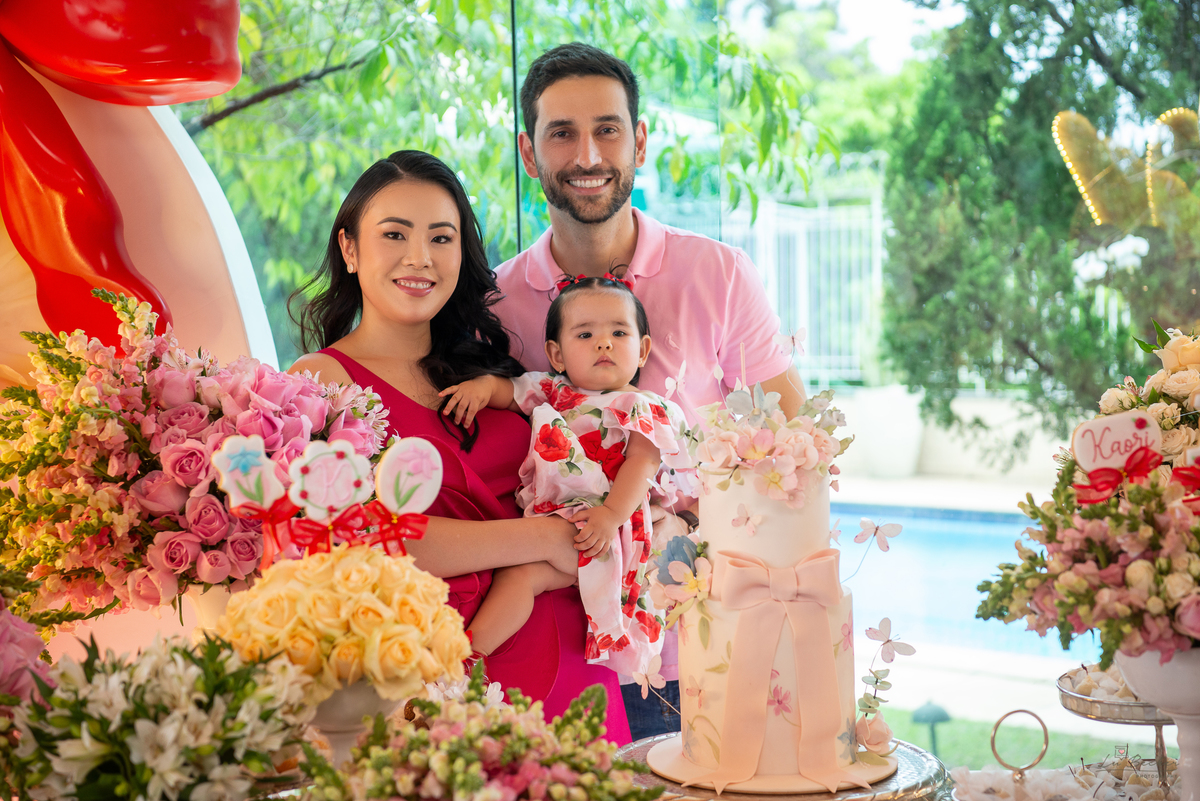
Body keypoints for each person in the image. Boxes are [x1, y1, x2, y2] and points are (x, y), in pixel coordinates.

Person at [492, 43, 804, 739]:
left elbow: (792, 452)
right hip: (562, 656)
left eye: (607, 129)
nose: (587, 155)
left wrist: (687, 531)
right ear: (528, 152)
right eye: (561, 133)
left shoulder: (720, 275)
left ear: (638, 140)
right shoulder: (497, 303)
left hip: (709, 643)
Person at [289, 150, 631, 742]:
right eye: (394, 234)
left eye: (441, 238)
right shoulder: (320, 381)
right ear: (349, 248)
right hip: (444, 674)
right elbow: (361, 541)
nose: (419, 257)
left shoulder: (492, 367)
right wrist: (545, 538)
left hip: (573, 656)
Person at [439, 274, 698, 676]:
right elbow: (511, 393)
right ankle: (466, 660)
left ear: (643, 349)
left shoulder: (646, 405)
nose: (604, 343)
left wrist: (610, 515)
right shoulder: (554, 391)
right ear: (556, 355)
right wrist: (483, 388)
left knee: (539, 576)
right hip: (560, 525)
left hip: (613, 526)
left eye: (618, 332)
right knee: (519, 577)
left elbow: (642, 464)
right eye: (585, 334)